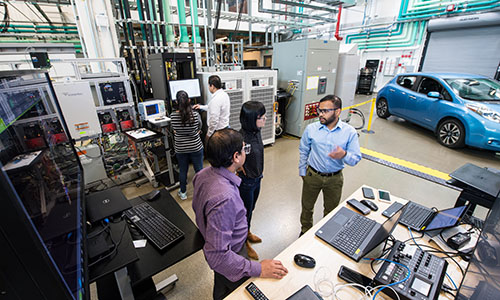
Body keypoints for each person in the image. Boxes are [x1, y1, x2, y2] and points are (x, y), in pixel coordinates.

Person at [192, 128, 288, 300]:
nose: (246, 152)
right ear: (236, 157)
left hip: (217, 243)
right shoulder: (225, 198)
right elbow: (219, 257)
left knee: (221, 287)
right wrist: (259, 268)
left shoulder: (202, 175)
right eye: (244, 149)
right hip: (232, 255)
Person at [299, 95, 362, 235]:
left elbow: (356, 159)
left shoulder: (349, 132)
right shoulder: (311, 129)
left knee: (331, 210)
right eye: (319, 110)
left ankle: (326, 234)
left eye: (325, 111)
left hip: (335, 179)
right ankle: (305, 232)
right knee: (307, 207)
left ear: (337, 111)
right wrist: (302, 170)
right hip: (312, 175)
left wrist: (344, 154)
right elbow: (304, 150)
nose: (321, 114)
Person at [237, 101, 266, 261]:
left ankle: (247, 232)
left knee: (251, 209)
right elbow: (232, 159)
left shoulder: (257, 131)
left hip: (257, 178)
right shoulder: (240, 138)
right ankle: (243, 243)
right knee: (244, 213)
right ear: (250, 120)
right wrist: (240, 169)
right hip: (246, 182)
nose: (265, 119)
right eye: (261, 117)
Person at [171, 90, 204, 200]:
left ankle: (183, 193)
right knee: (199, 170)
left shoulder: (172, 116)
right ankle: (201, 192)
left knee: (183, 170)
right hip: (195, 146)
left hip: (181, 148)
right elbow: (199, 126)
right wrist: (196, 132)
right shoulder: (195, 114)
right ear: (189, 100)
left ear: (176, 101)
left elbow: (174, 130)